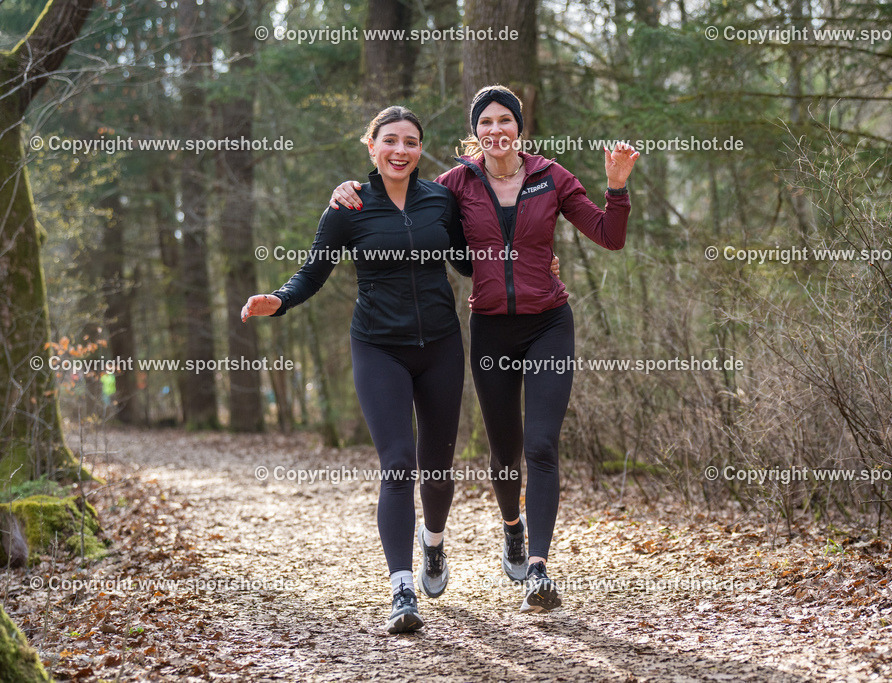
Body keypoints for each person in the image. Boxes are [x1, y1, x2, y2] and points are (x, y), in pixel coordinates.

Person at [332, 85, 639, 613]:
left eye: (506, 121)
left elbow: (609, 236)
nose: (496, 131)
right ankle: (512, 528)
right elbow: (414, 209)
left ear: (520, 127)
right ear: (475, 133)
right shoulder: (455, 186)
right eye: (486, 123)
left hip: (549, 325)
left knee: (542, 445)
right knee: (505, 451)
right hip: (492, 329)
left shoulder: (553, 177)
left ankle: (538, 569)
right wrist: (350, 191)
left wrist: (616, 188)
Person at [242, 106, 472, 634]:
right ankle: (401, 588)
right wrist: (278, 299)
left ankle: (432, 544)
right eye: (389, 140)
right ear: (371, 146)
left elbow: (467, 260)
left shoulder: (441, 199)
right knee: (398, 464)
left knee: (437, 473)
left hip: (440, 345)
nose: (400, 150)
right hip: (378, 348)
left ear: (420, 150)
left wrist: (528, 261)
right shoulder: (348, 206)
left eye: (411, 142)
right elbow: (314, 270)